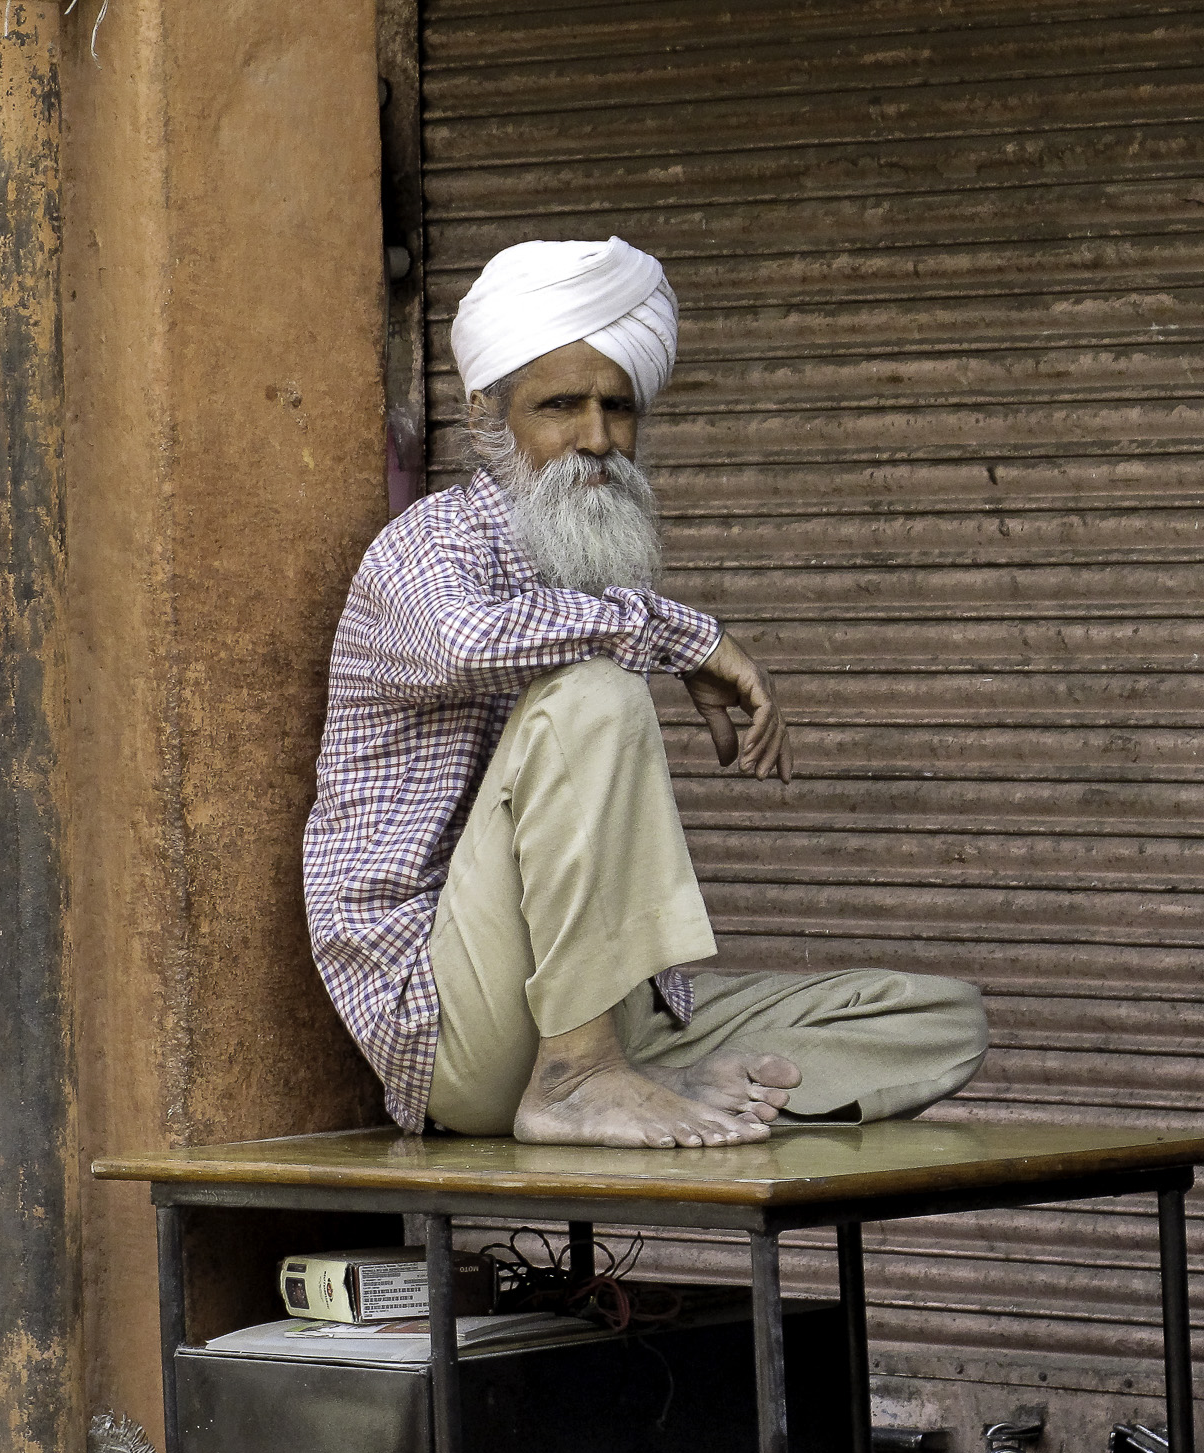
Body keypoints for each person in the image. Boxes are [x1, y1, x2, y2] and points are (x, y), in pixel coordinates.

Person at [304, 237, 989, 1149]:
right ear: (484, 414)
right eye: (560, 406)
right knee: (595, 694)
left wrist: (655, 629)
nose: (596, 439)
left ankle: (644, 1074)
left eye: (616, 407)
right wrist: (685, 636)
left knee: (932, 1017)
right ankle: (580, 1079)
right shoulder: (433, 545)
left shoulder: (583, 569)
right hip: (448, 1019)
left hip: (610, 1009)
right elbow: (468, 643)